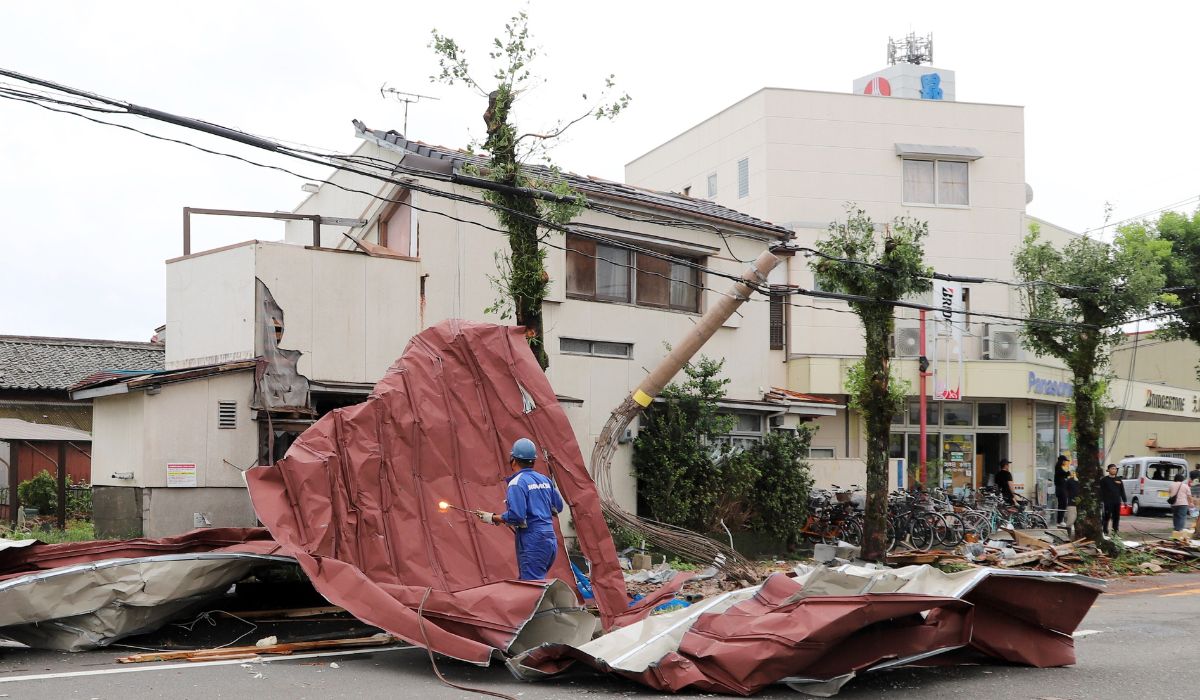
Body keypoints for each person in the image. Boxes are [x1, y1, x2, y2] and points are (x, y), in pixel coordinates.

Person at [475, 438, 564, 580]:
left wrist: (492, 517)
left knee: (531, 587)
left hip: (533, 541)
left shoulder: (517, 483)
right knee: (536, 582)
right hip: (549, 540)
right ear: (533, 460)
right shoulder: (544, 479)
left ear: (513, 460)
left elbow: (517, 516)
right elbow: (558, 507)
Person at [1098, 463, 1126, 536]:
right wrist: (1101, 501)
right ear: (1108, 470)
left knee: (1116, 517)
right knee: (1106, 517)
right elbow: (1100, 491)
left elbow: (1122, 490)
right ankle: (1105, 530)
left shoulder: (1119, 479)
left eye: (1115, 469)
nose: (1114, 470)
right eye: (1112, 468)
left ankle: (1115, 532)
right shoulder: (1104, 480)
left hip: (1117, 501)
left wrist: (1124, 501)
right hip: (1107, 501)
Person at [1168, 472, 1192, 540]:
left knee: (1175, 516)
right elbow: (1189, 496)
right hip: (1183, 503)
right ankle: (1179, 531)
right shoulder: (1185, 486)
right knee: (1182, 517)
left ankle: (1176, 530)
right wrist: (1191, 503)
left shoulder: (1171, 485)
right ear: (1182, 479)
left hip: (1174, 504)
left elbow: (1169, 492)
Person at [1053, 455, 1070, 525]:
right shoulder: (1058, 467)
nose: (1065, 462)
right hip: (1061, 489)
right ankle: (1060, 521)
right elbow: (1064, 474)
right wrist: (1068, 473)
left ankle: (1060, 520)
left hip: (1061, 489)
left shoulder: (1059, 468)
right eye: (1064, 461)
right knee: (1063, 504)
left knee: (1062, 504)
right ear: (1062, 461)